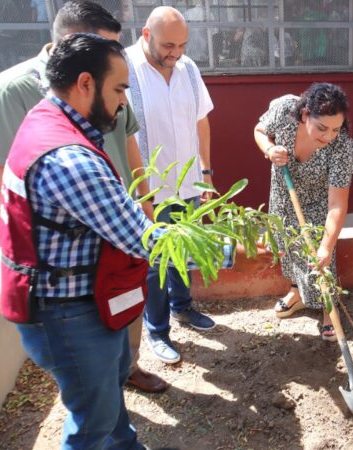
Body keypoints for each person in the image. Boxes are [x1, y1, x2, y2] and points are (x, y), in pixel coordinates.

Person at [0, 32, 176, 450]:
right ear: (84, 84)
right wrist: (235, 250)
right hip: (68, 314)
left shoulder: (46, 117)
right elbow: (144, 238)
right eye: (118, 89)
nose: (122, 101)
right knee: (91, 420)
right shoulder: (69, 160)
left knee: (110, 386)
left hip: (83, 300)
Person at [126, 6, 216, 365]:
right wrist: (139, 190)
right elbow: (122, 135)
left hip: (189, 184)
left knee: (185, 253)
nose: (175, 53)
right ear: (146, 35)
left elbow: (201, 122)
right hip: (150, 190)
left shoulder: (189, 69)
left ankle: (183, 307)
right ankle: (157, 329)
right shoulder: (126, 69)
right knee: (156, 264)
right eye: (168, 45)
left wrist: (206, 173)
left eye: (181, 45)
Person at [254, 82, 353, 341]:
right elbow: (260, 130)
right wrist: (269, 149)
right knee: (288, 250)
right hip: (284, 198)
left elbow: (337, 204)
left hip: (319, 206)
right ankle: (297, 291)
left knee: (320, 261)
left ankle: (327, 309)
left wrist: (326, 247)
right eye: (322, 128)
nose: (328, 136)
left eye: (335, 128)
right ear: (305, 114)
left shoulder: (342, 146)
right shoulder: (285, 109)